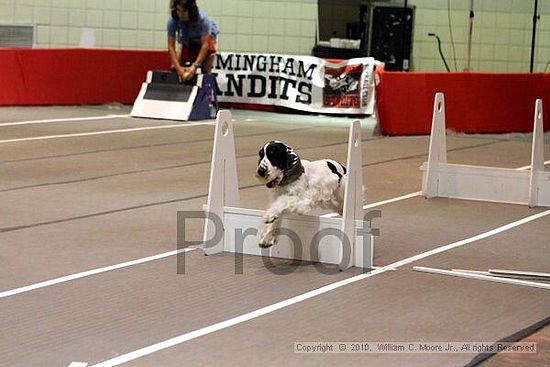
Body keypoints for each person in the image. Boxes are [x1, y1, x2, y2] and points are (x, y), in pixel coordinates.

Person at [167, 0, 219, 82]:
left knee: (205, 70)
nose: (181, 15)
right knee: (174, 67)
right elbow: (171, 46)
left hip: (204, 40)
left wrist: (195, 66)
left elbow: (205, 45)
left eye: (184, 11)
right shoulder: (172, 21)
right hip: (187, 40)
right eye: (178, 11)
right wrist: (179, 69)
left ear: (190, 10)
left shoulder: (203, 19)